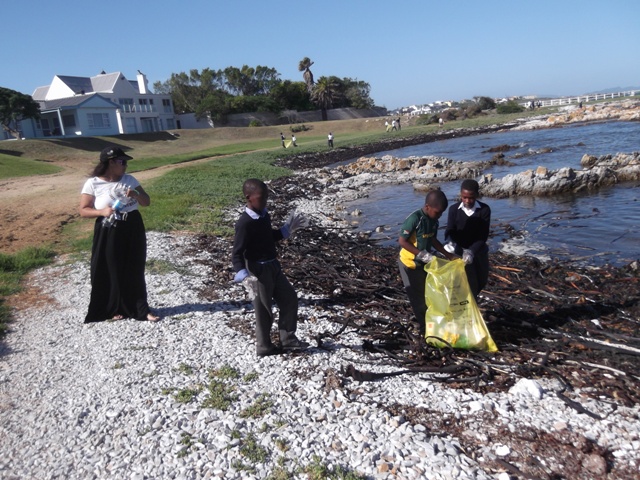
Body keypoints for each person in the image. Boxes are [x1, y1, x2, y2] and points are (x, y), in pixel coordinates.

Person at [79, 146, 160, 323]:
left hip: (132, 225)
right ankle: (111, 309)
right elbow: (83, 210)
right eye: (122, 162)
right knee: (109, 268)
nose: (125, 165)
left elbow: (146, 202)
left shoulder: (129, 180)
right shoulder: (93, 183)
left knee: (134, 266)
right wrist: (101, 212)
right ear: (110, 163)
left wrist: (136, 194)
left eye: (125, 162)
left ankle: (141, 310)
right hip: (108, 227)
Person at [232, 179, 309, 357]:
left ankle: (288, 340)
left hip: (273, 265)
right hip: (257, 271)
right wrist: (243, 275)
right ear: (249, 198)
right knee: (263, 310)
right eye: (262, 197)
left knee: (289, 299)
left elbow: (268, 237)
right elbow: (236, 253)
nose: (266, 200)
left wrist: (285, 230)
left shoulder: (264, 215)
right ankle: (264, 346)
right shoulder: (244, 223)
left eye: (267, 196)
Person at [398, 190, 455, 335]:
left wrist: (448, 255)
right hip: (409, 264)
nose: (439, 215)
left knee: (428, 295)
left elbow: (433, 239)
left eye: (442, 213)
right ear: (427, 206)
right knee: (418, 299)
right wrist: (420, 254)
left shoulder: (434, 220)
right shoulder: (415, 219)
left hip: (424, 263)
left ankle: (432, 323)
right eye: (437, 212)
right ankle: (425, 331)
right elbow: (402, 241)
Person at [444, 179, 491, 299]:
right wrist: (450, 243)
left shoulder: (484, 210)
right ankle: (470, 304)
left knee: (482, 280)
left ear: (476, 195)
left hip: (479, 251)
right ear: (461, 194)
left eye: (471, 198)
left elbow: (483, 235)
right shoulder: (454, 209)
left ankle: (472, 300)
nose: (467, 201)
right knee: (469, 283)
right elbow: (450, 230)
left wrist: (471, 251)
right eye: (464, 197)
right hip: (460, 252)